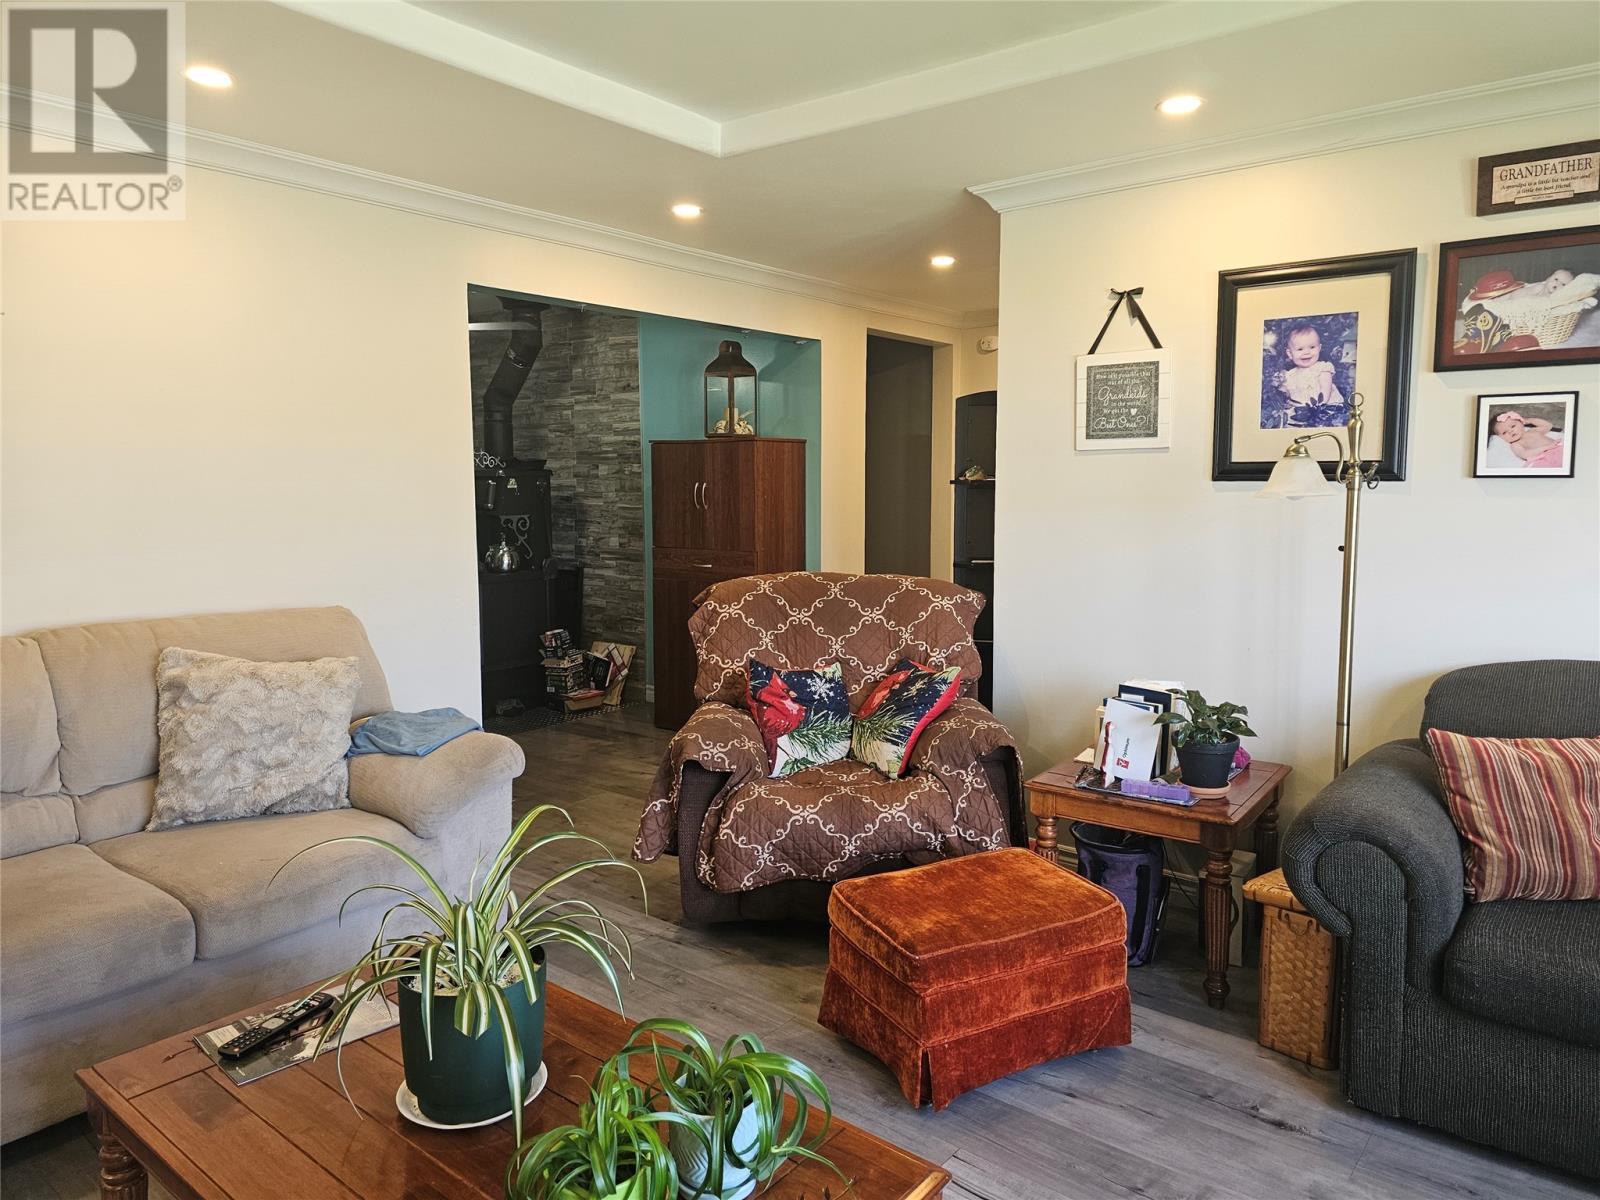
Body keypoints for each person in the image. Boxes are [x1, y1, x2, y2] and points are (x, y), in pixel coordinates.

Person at [1276, 323, 1346, 425]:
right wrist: (1280, 387)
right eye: (1300, 349)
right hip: (1299, 411)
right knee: (1287, 421)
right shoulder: (1290, 375)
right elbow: (1286, 395)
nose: (1307, 352)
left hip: (1324, 409)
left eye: (1312, 347)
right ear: (1290, 354)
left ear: (1319, 348)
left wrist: (1316, 409)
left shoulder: (1323, 369)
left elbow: (1325, 392)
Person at [1488, 409, 1565, 469]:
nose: (1510, 431)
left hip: (1558, 449)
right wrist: (1546, 447)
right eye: (1504, 432)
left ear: (1522, 423)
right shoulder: (1515, 444)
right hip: (1543, 457)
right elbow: (1525, 454)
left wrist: (1529, 420)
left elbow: (1548, 425)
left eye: (1513, 426)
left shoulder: (1533, 431)